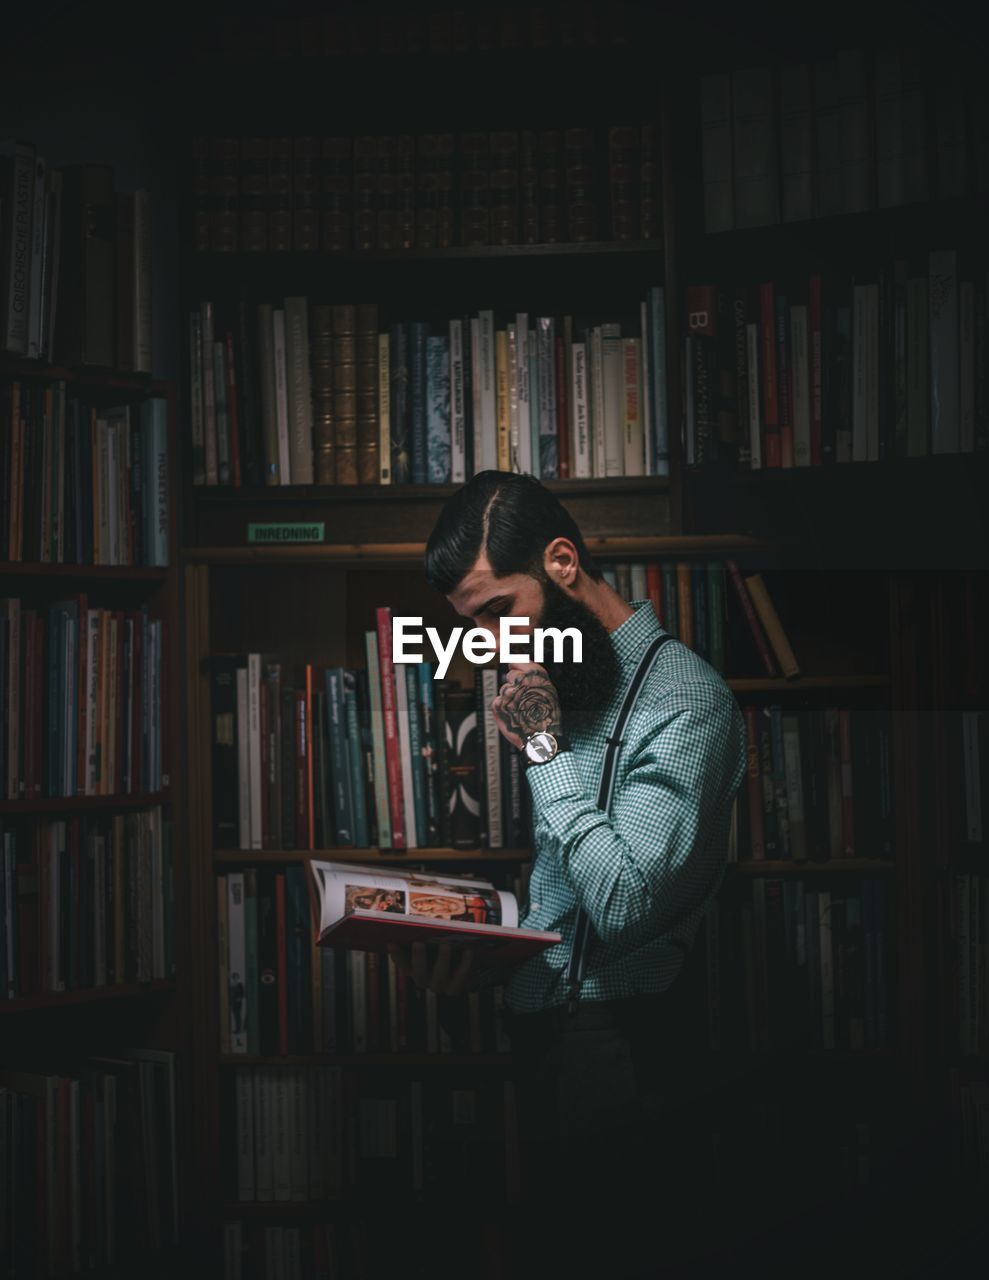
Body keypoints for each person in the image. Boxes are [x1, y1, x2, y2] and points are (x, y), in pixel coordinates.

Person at [389, 472, 747, 1279]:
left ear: (560, 562)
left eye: (498, 612)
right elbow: (571, 901)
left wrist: (544, 755)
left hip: (636, 1060)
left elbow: (625, 908)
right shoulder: (564, 687)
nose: (492, 644)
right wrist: (475, 962)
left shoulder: (685, 704)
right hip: (542, 1044)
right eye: (470, 627)